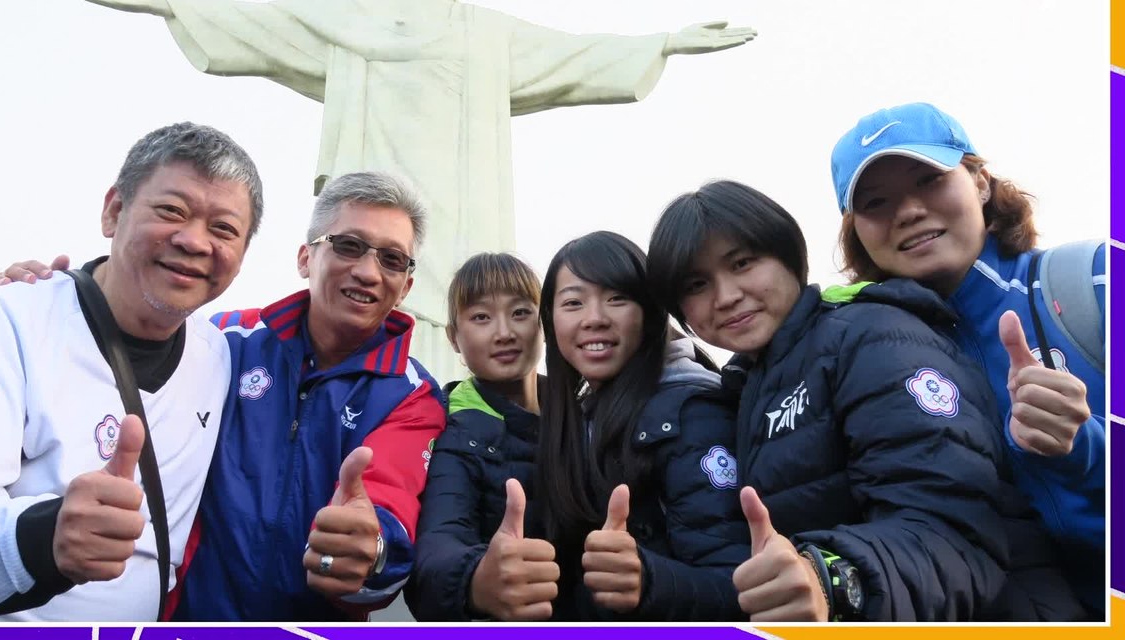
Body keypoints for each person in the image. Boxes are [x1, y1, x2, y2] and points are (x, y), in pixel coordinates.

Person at [65, 0, 757, 381]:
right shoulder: (356, 17)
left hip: (462, 204)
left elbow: (572, 54)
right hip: (377, 195)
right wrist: (167, 4)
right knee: (375, 278)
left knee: (464, 301)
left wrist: (662, 42)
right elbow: (270, 25)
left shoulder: (485, 33)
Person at [0, 171, 448, 621]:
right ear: (306, 258)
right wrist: (58, 298)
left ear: (405, 286)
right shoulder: (224, 341)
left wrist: (372, 552)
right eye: (348, 246)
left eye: (392, 259)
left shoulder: (414, 397)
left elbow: (390, 510)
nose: (368, 272)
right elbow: (130, 327)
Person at [0, 122, 263, 621]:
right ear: (114, 211)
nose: (194, 241)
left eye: (223, 228)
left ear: (242, 256)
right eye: (171, 211)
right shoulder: (12, 320)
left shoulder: (223, 357)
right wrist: (42, 536)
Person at [646, 180, 1085, 621]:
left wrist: (834, 578)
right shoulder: (748, 384)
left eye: (742, 263)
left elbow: (951, 528)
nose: (726, 296)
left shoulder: (872, 336)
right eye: (697, 284)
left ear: (789, 256)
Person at [828, 102, 1105, 615]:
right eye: (876, 201)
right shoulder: (865, 360)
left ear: (979, 180)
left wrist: (1084, 450)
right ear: (856, 230)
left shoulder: (1097, 279)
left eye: (929, 180)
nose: (908, 211)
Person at [531, 231, 749, 621]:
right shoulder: (578, 415)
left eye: (617, 298)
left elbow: (740, 585)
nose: (594, 318)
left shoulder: (693, 414)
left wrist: (648, 580)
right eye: (573, 302)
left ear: (650, 312)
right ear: (550, 319)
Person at [406, 252, 550, 621]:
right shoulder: (448, 426)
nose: (504, 332)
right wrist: (475, 580)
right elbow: (436, 547)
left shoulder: (585, 413)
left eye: (520, 312)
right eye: (481, 317)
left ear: (545, 321)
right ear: (454, 337)